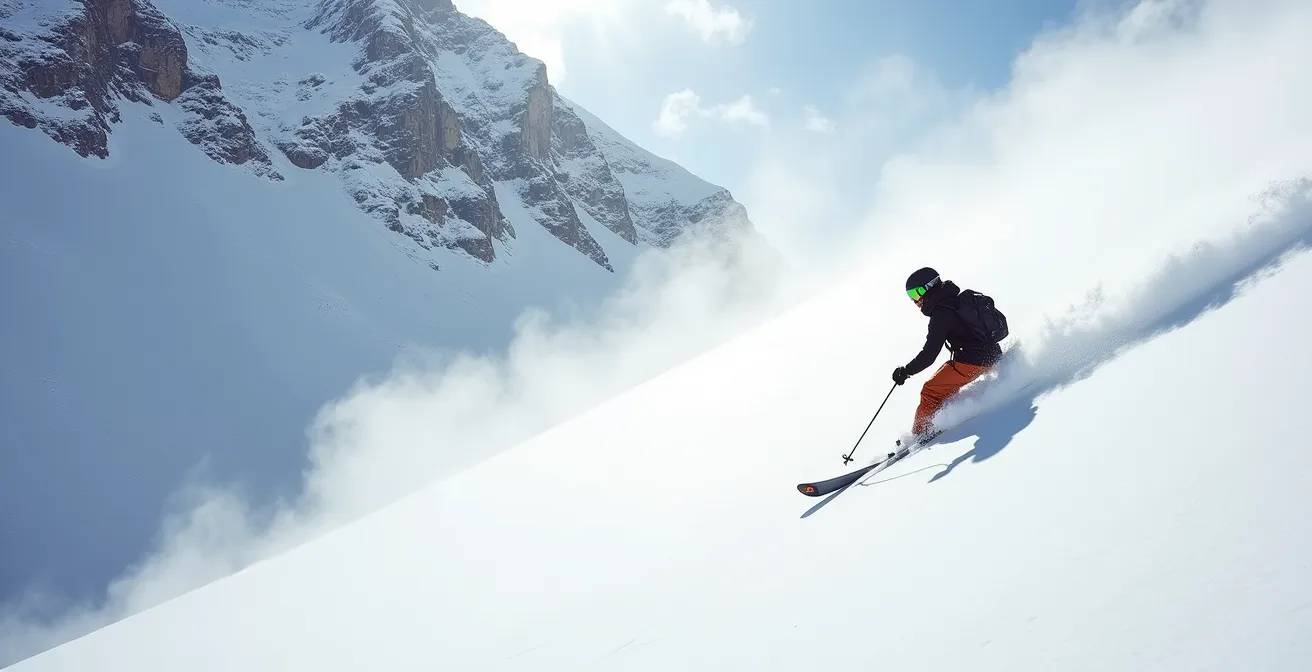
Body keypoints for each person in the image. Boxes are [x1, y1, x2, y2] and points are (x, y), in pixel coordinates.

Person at [892, 267, 1004, 441]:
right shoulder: (956, 301)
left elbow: (930, 354)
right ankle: (942, 417)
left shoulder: (941, 313)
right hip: (989, 354)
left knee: (929, 391)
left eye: (915, 294)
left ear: (927, 288)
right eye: (910, 297)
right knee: (944, 381)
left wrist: (906, 371)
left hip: (972, 362)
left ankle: (920, 435)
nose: (914, 301)